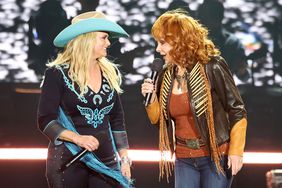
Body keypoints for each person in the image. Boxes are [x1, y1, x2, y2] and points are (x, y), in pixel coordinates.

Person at [141, 9, 247, 188]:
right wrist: (151, 99)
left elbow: (237, 109)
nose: (158, 49)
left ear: (179, 42)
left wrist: (236, 150)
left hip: (215, 155)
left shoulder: (212, 67)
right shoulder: (166, 74)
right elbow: (158, 120)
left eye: (162, 43)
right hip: (184, 158)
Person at [37, 11, 132, 188]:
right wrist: (78, 139)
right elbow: (46, 120)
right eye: (104, 38)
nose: (109, 43)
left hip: (105, 162)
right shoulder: (56, 74)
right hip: (69, 160)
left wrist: (125, 158)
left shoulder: (109, 74)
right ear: (87, 39)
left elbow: (117, 120)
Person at [197, 0, 250, 82]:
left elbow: (244, 77)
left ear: (219, 18)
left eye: (206, 16)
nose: (201, 20)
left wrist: (242, 70)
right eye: (201, 16)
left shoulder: (233, 43)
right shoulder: (190, 41)